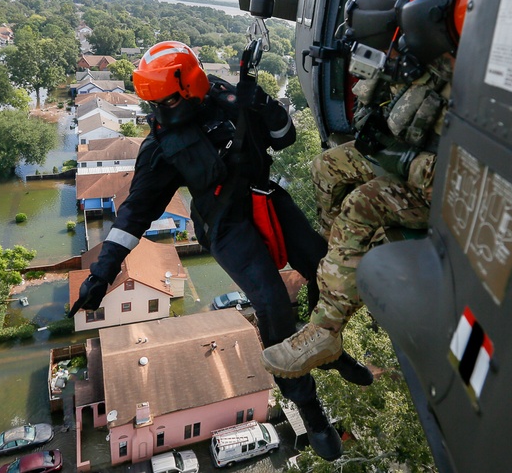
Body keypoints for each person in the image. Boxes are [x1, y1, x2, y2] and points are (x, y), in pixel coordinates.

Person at [68, 40, 369, 462]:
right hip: (224, 223)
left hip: (263, 196)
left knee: (326, 269)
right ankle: (310, 410)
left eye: (167, 101)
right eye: (152, 104)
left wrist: (263, 103)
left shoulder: (227, 97)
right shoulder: (162, 147)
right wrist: (102, 273)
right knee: (271, 301)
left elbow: (284, 138)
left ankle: (330, 349)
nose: (160, 113)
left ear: (190, 86)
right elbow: (134, 213)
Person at [262, 0, 483, 379]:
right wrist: (373, 124)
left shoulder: (480, 83)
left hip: (442, 188)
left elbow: (466, 178)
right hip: (407, 157)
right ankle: (336, 260)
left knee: (361, 205)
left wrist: (396, 160)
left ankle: (326, 329)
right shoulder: (431, 53)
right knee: (325, 166)